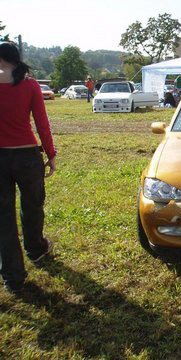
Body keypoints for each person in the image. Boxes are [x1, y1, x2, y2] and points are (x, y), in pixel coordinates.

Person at [0, 42, 57, 293]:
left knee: (3, 219)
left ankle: (13, 275)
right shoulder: (31, 84)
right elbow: (41, 122)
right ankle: (36, 248)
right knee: (33, 205)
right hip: (27, 157)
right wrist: (51, 154)